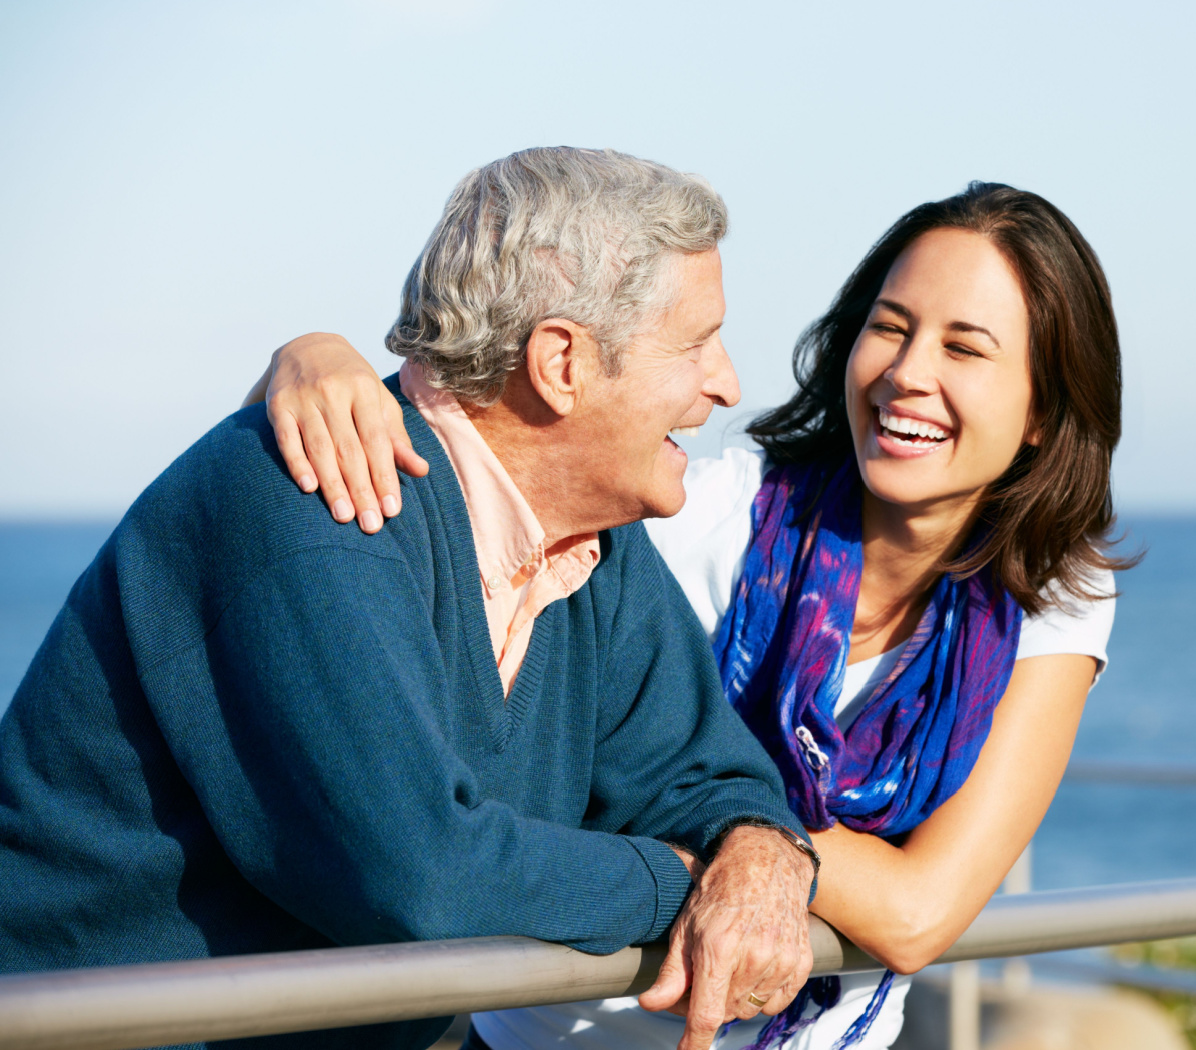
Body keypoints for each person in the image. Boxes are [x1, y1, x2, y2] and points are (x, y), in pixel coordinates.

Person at [259, 181, 1133, 1050]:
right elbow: (478, 474)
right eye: (891, 327)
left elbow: (917, 913)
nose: (908, 373)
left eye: (966, 349)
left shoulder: (1058, 597)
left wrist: (736, 836)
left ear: (1044, 413)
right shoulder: (700, 517)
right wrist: (313, 356)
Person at [0, 148, 821, 1050]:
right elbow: (422, 877)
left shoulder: (596, 548)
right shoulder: (316, 501)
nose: (728, 383)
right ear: (562, 363)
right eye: (696, 341)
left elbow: (709, 776)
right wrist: (678, 881)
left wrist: (757, 856)